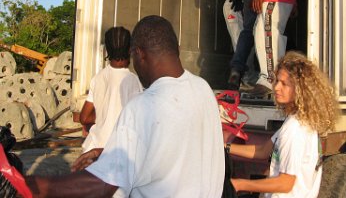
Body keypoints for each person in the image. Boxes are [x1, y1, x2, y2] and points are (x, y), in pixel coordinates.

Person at [25, 15, 225, 197]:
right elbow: (170, 149)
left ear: (139, 53)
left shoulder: (143, 106)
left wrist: (28, 186)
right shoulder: (203, 89)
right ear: (176, 49)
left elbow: (102, 186)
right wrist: (108, 152)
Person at [227, 51, 338, 197]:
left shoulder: (295, 130)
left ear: (300, 90)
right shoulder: (300, 120)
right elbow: (262, 151)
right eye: (277, 81)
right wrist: (225, 147)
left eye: (284, 84)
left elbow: (285, 184)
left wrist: (240, 184)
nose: (276, 87)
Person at [80, 26, 143, 153]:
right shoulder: (133, 81)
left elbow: (84, 118)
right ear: (130, 50)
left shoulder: (98, 78)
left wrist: (104, 116)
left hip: (93, 149)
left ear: (107, 50)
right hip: (119, 151)